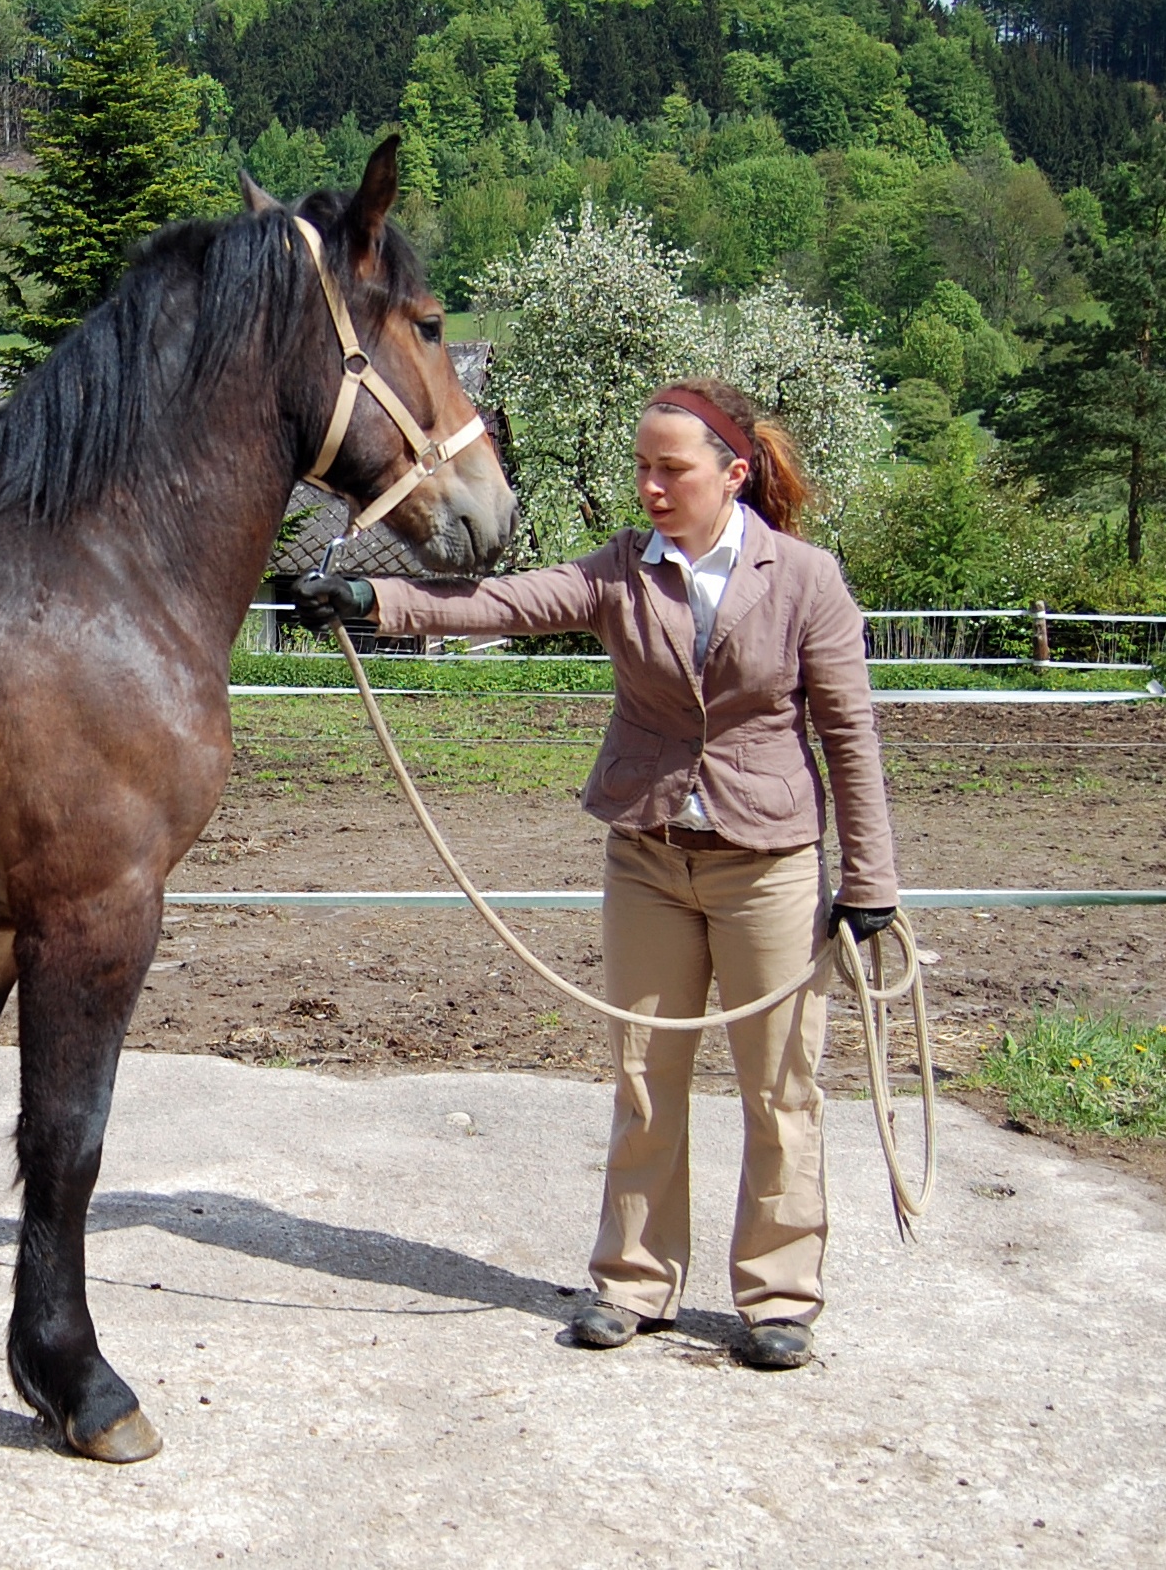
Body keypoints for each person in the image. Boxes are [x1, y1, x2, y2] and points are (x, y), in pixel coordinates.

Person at [293, 376, 898, 1370]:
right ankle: (632, 1280)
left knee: (777, 1087)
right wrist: (371, 599)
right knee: (642, 1077)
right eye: (642, 469)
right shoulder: (622, 570)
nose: (650, 488)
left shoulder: (803, 579)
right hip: (648, 856)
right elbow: (503, 602)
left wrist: (869, 880)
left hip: (770, 867)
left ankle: (778, 1295)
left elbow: (848, 735)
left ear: (731, 474)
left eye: (672, 469)